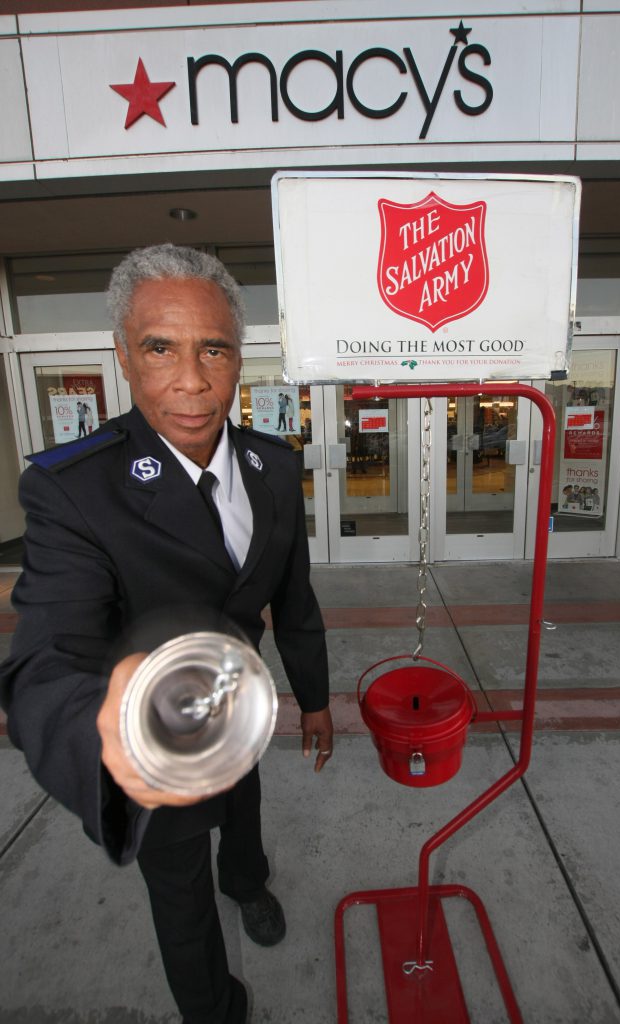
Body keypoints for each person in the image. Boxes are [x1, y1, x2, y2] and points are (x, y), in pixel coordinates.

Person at [0, 243, 333, 1024]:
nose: (191, 381)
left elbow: (293, 594)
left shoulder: (273, 466)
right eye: (160, 349)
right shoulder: (72, 489)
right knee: (180, 900)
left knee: (244, 808)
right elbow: (47, 655)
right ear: (123, 357)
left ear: (237, 357)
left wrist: (314, 700)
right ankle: (217, 1009)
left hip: (239, 709)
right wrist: (115, 747)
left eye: (212, 349)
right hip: (153, 741)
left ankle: (246, 882)